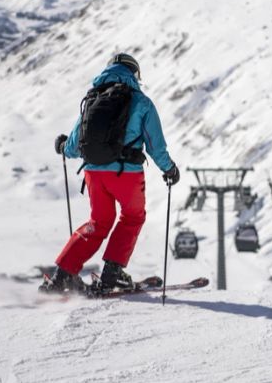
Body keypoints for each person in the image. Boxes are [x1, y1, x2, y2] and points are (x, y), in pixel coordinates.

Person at [41, 53, 180, 293]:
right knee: (132, 217)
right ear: (134, 74)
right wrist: (169, 169)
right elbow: (155, 145)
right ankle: (111, 274)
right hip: (126, 174)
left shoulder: (92, 98)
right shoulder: (141, 102)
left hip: (94, 174)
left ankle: (61, 277)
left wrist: (63, 146)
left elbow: (74, 145)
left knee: (99, 222)